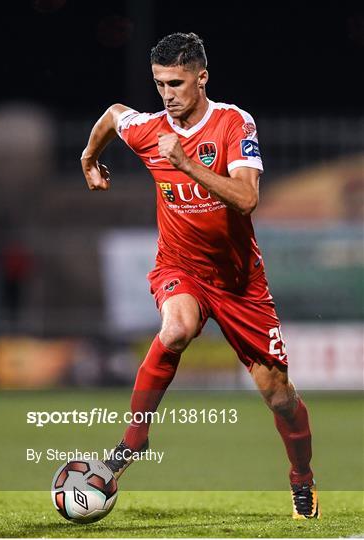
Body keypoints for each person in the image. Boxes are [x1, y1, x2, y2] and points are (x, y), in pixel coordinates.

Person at [81, 32, 319, 520]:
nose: (166, 94)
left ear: (201, 78)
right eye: (159, 83)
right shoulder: (149, 128)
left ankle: (303, 479)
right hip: (179, 267)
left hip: (240, 284)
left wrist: (186, 163)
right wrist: (89, 157)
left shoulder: (233, 123)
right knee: (177, 328)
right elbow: (112, 114)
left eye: (176, 82)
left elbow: (248, 198)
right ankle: (133, 440)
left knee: (279, 397)